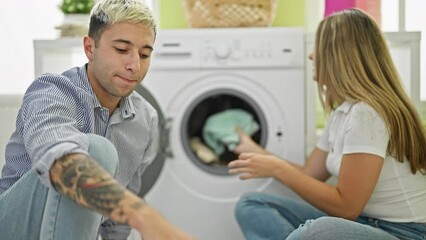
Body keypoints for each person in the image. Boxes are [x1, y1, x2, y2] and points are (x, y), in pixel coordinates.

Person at [0, 0, 194, 239]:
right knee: (98, 150)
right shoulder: (51, 92)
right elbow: (60, 161)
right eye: (122, 50)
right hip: (13, 227)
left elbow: (114, 223)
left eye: (144, 54)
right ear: (90, 48)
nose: (135, 65)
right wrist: (144, 217)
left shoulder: (146, 119)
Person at [228, 8, 426, 240]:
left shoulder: (367, 114)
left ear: (338, 56)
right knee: (252, 205)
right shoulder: (343, 111)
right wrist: (259, 153)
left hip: (404, 233)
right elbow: (309, 175)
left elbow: (346, 208)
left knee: (319, 231)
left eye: (318, 48)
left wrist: (276, 168)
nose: (311, 55)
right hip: (364, 224)